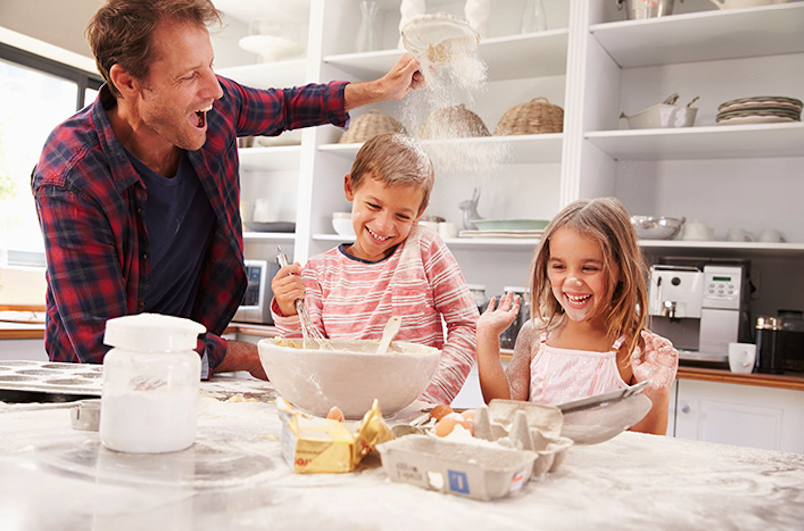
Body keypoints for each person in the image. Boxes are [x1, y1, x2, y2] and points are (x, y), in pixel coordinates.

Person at [30, 0, 424, 379]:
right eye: (189, 76)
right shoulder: (70, 177)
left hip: (185, 366)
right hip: (94, 389)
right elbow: (105, 346)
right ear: (127, 81)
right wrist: (251, 357)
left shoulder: (212, 110)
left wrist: (380, 89)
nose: (214, 90)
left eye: (210, 66)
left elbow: (286, 106)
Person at [270, 133, 478, 405]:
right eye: (373, 205)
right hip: (341, 408)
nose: (383, 225)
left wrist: (428, 398)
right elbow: (308, 355)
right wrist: (288, 309)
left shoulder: (424, 248)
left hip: (416, 412)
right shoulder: (320, 271)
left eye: (402, 216)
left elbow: (468, 326)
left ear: (420, 211)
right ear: (350, 187)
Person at [476, 197, 679, 435]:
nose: (572, 281)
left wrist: (658, 392)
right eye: (559, 267)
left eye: (589, 268)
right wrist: (486, 335)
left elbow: (647, 444)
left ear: (622, 269)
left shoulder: (635, 349)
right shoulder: (535, 334)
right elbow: (504, 409)